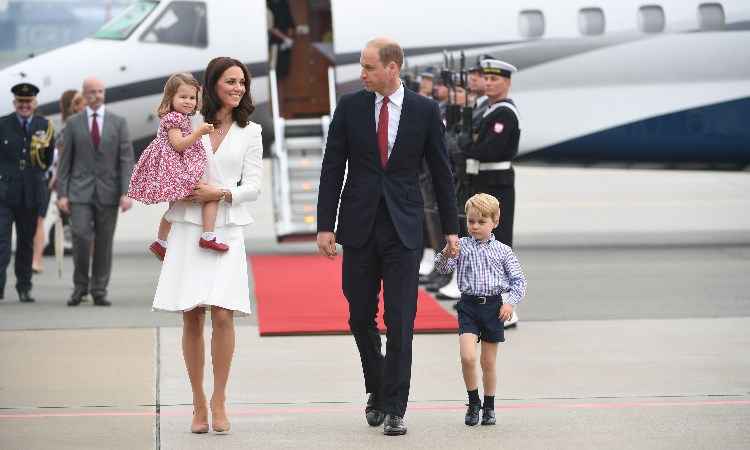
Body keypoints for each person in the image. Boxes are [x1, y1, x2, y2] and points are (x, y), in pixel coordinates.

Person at [316, 37, 459, 436]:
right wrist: (325, 225)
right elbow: (332, 169)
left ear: (392, 68)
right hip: (359, 227)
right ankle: (376, 387)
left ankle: (395, 406)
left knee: (400, 319)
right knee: (360, 316)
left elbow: (441, 171)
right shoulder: (349, 107)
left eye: (368, 67)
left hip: (403, 228)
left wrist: (452, 229)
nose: (361, 74)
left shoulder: (425, 110)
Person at [152, 57, 263, 434]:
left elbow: (254, 186)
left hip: (226, 227)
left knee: (223, 314)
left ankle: (219, 400)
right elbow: (165, 165)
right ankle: (197, 402)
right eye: (231, 81)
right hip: (186, 224)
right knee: (192, 314)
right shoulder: (186, 124)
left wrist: (221, 192)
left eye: (242, 83)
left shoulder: (251, 131)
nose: (238, 88)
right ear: (213, 84)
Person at [434, 193, 527, 426]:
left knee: (488, 363)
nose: (474, 226)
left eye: (481, 222)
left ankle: (490, 406)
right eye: (470, 221)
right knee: (467, 357)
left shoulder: (503, 251)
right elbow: (442, 268)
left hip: (494, 307)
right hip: (468, 306)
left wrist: (509, 302)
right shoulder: (461, 246)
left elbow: (519, 281)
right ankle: (473, 402)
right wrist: (447, 251)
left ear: (495, 221)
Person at [127, 73, 227, 260]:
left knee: (175, 208)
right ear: (171, 97)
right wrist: (199, 132)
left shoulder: (182, 117)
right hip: (175, 167)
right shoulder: (175, 118)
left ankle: (162, 242)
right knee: (209, 195)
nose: (188, 101)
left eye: (192, 98)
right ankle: (207, 236)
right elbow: (178, 144)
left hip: (174, 165)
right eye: (183, 97)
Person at [56, 77, 135, 307]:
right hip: (79, 192)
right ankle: (80, 287)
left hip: (109, 193)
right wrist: (62, 194)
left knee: (104, 242)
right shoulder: (73, 123)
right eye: (92, 92)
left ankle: (99, 289)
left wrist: (126, 192)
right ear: (84, 94)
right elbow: (64, 162)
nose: (97, 95)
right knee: (80, 237)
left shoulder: (118, 122)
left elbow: (125, 160)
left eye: (100, 91)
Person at [458, 57, 521, 326]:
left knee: (499, 246)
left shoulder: (505, 113)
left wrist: (465, 147)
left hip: (497, 183)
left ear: (506, 82)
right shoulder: (488, 109)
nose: (489, 83)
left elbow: (490, 149)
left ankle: (508, 309)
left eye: (495, 79)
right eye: (487, 78)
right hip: (483, 181)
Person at [0, 82, 55, 302]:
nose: (24, 106)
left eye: (28, 102)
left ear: (35, 103)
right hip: (4, 194)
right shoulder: (3, 124)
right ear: (15, 103)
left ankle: (24, 287)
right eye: (21, 102)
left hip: (31, 194)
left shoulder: (45, 126)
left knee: (26, 243)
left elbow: (48, 160)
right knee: (1, 243)